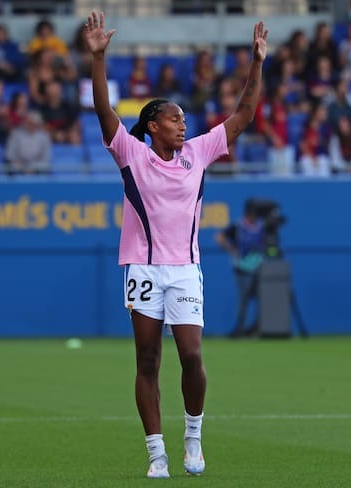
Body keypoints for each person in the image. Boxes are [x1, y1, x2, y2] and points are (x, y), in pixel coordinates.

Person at [84, 10, 267, 479]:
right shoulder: (131, 154)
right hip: (143, 270)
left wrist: (257, 62)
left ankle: (192, 436)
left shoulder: (199, 153)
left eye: (184, 119)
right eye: (174, 119)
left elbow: (244, 115)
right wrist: (98, 60)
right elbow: (105, 112)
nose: (183, 125)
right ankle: (156, 452)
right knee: (148, 359)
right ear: (152, 126)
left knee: (192, 357)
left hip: (186, 269)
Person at [215, 199, 267, 337]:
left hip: (259, 267)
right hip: (242, 268)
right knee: (243, 299)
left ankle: (257, 326)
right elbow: (219, 237)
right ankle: (240, 328)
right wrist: (231, 249)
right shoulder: (238, 226)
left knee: (263, 298)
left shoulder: (261, 227)